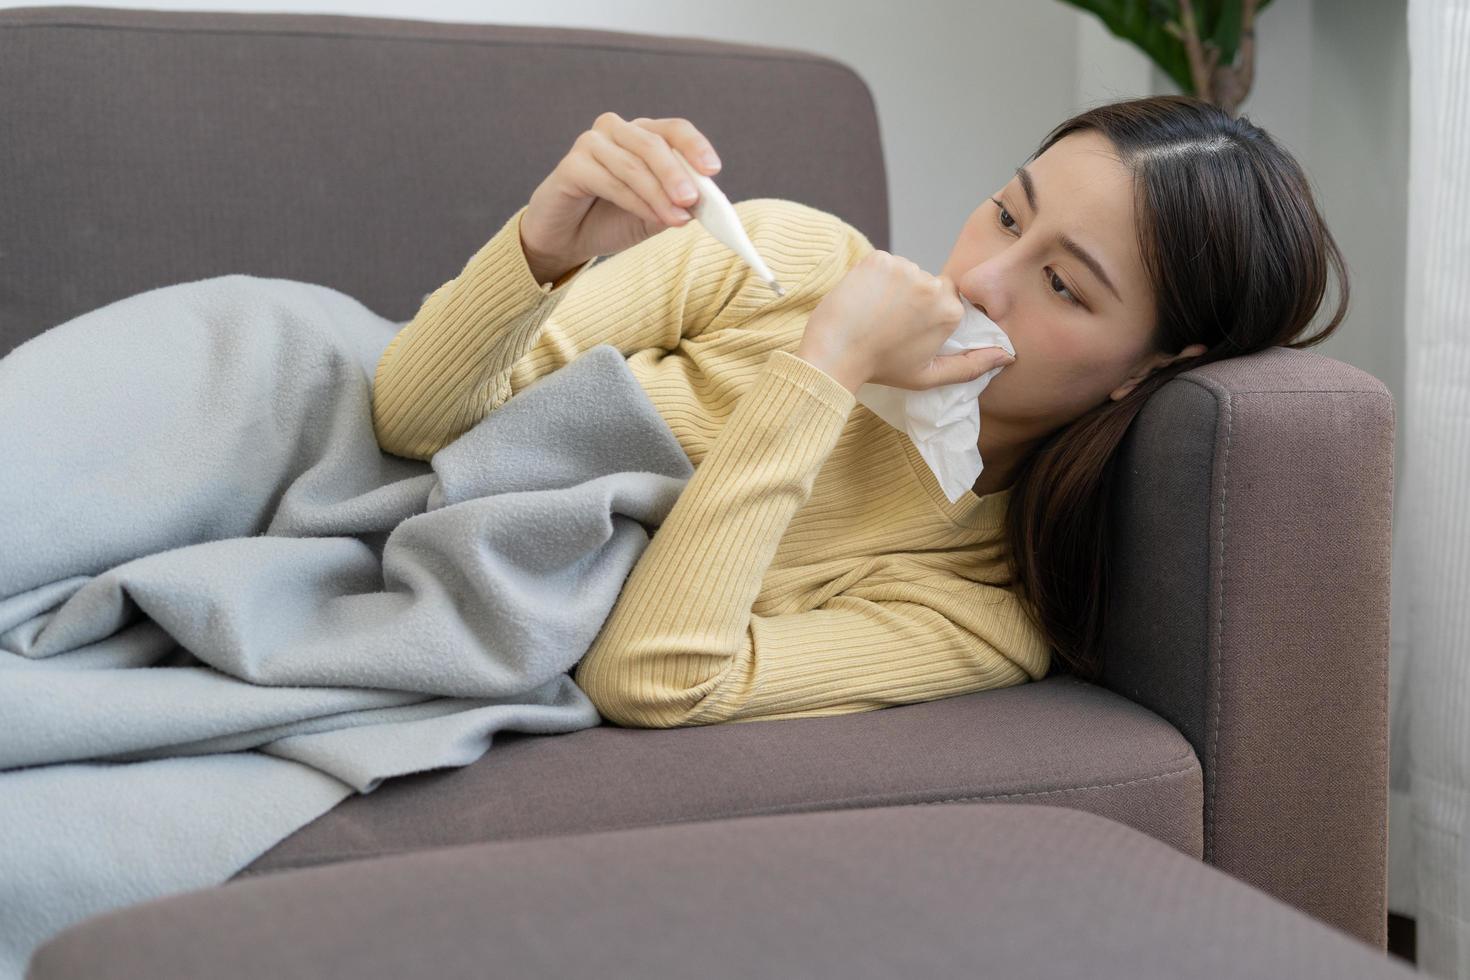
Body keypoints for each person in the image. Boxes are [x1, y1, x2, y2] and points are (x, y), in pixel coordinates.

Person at [369, 96, 1347, 729]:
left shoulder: (978, 606)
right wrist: (551, 232)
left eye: (1062, 283)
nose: (982, 276)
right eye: (1008, 213)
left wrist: (823, 371)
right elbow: (410, 414)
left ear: (1147, 368)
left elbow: (650, 675)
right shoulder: (787, 257)